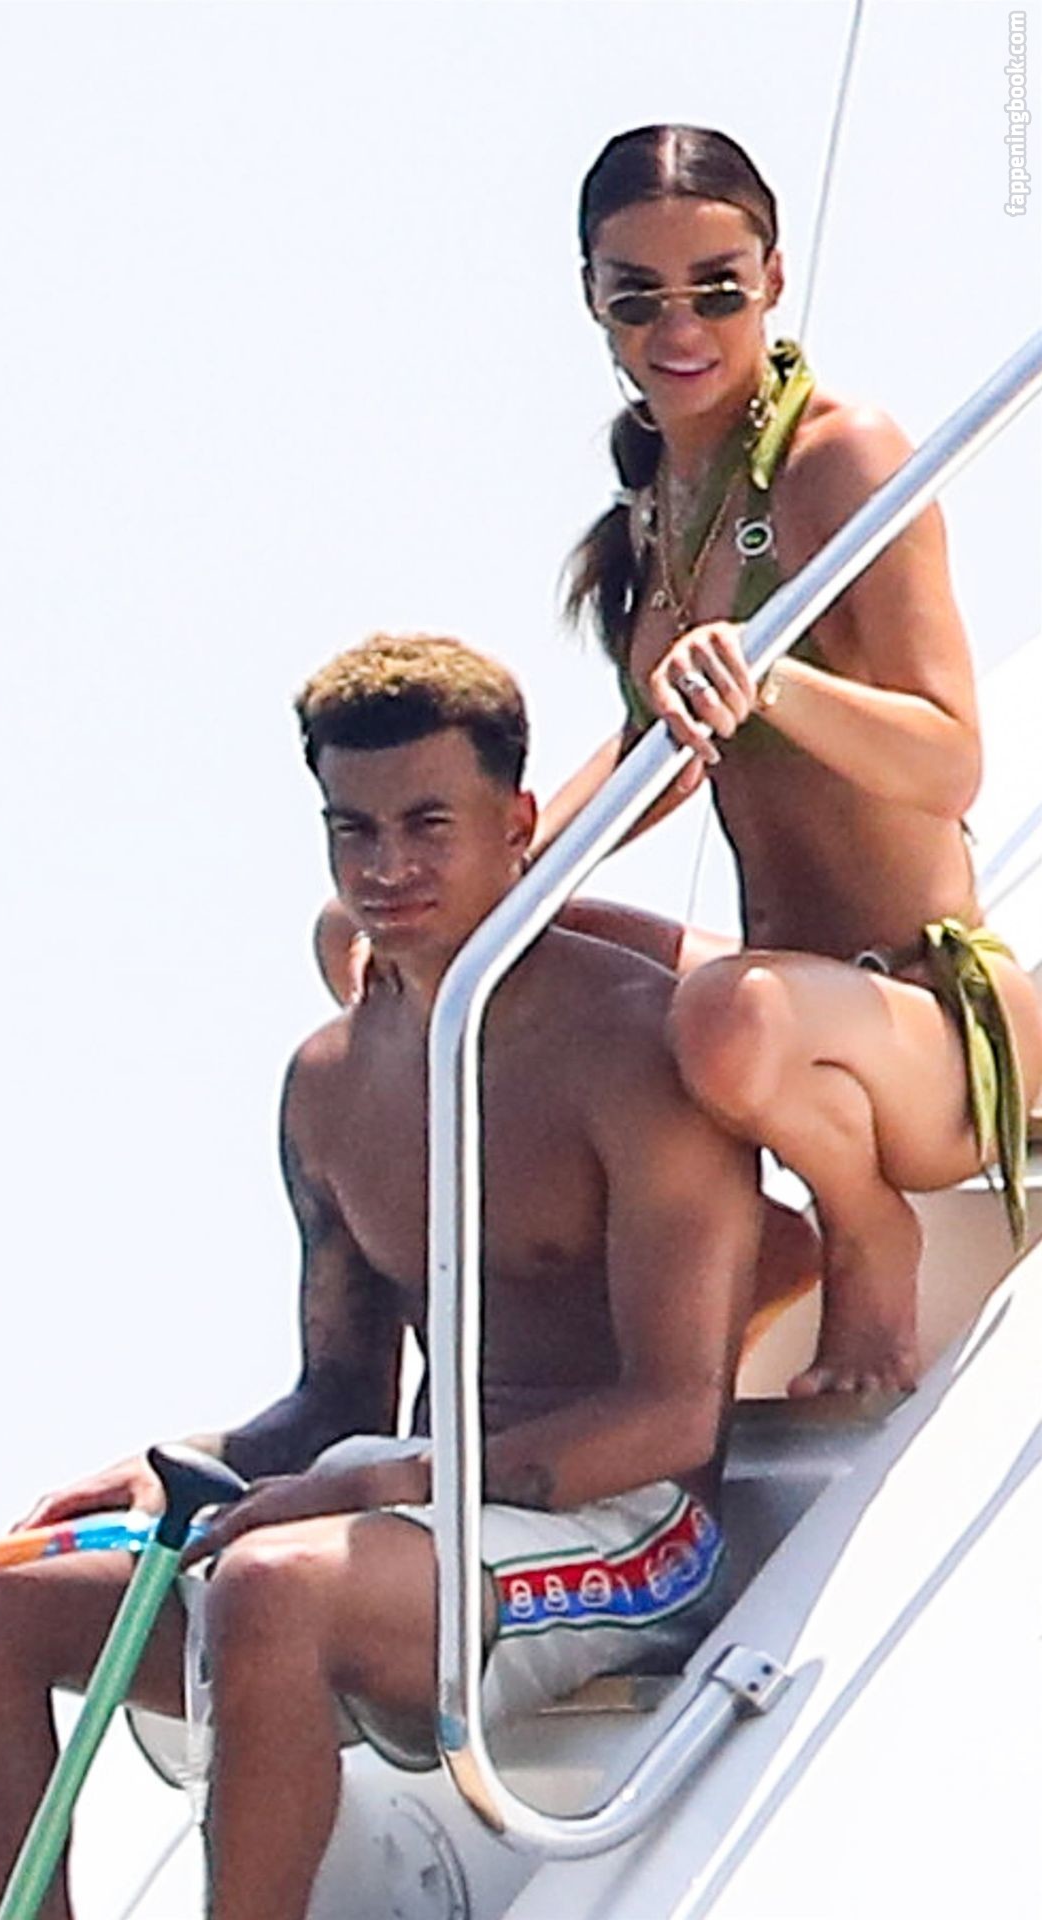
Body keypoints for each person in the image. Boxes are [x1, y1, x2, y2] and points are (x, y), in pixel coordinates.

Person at [0, 635, 763, 1920]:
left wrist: (377, 1485)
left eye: (428, 825)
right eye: (352, 830)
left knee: (272, 1585)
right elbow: (333, 1396)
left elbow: (673, 1416)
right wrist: (176, 1464)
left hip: (629, 1533)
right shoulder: (327, 1082)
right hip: (405, 1511)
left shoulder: (627, 1047)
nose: (386, 869)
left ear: (517, 824)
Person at [320, 124, 1042, 1399]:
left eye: (715, 289)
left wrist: (774, 679)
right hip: (780, 990)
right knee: (394, 929)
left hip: (921, 1021)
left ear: (771, 279)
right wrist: (498, 880)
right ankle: (686, 1263)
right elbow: (664, 749)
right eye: (636, 297)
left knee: (722, 1018)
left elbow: (948, 763)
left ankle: (862, 1230)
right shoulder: (657, 499)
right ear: (591, 299)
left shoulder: (838, 458)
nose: (678, 328)